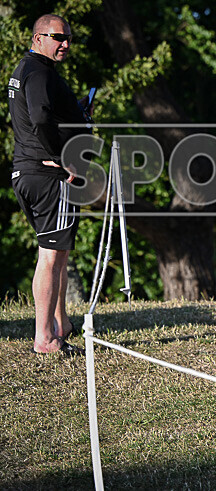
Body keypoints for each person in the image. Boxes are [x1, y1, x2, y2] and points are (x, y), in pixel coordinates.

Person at [8, 14, 92, 355]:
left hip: (27, 172)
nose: (65, 44)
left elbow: (41, 115)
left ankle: (61, 324)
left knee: (57, 253)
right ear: (38, 37)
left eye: (68, 37)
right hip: (47, 176)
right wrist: (60, 157)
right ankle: (44, 339)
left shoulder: (26, 69)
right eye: (58, 37)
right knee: (50, 256)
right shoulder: (39, 71)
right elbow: (40, 116)